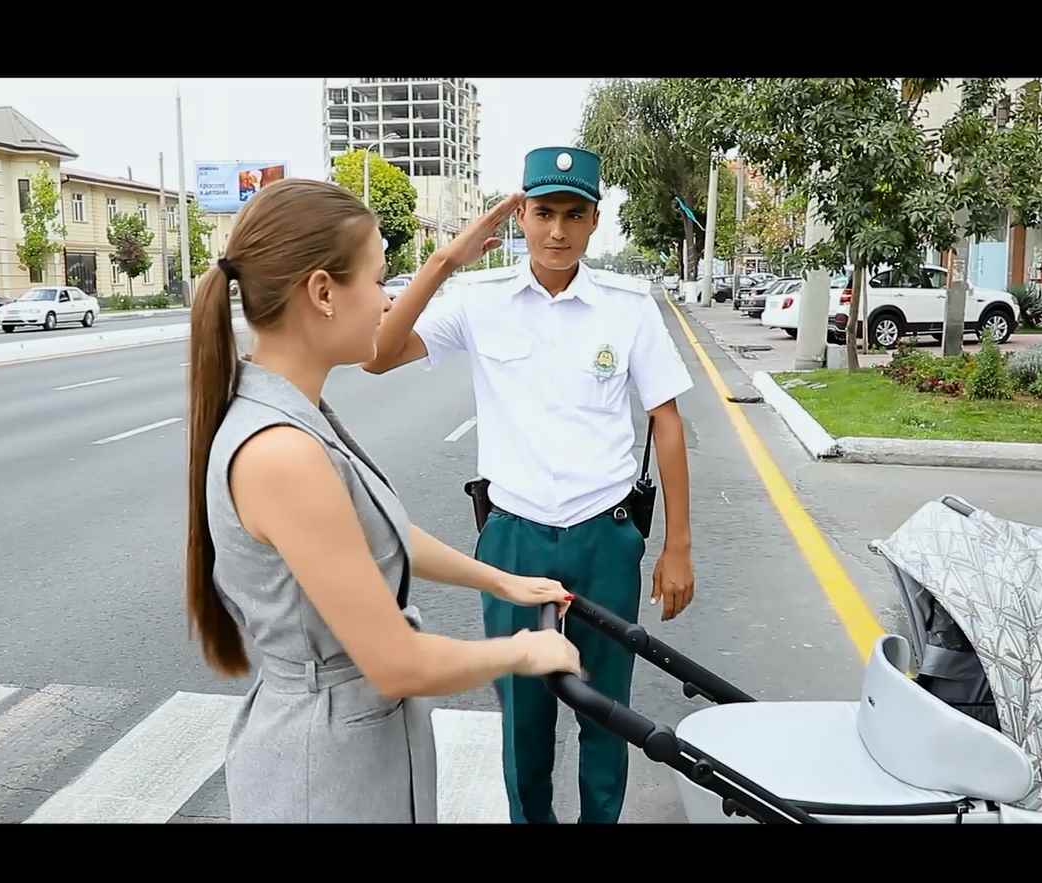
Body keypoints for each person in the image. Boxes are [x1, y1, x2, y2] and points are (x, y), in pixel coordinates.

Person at [184, 178, 583, 823]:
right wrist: (525, 652)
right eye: (377, 281)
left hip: (352, 744)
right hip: (326, 772)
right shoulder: (282, 451)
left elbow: (377, 533)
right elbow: (396, 664)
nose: (387, 301)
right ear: (321, 292)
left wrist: (506, 583)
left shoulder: (295, 414)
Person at [364, 147, 697, 824]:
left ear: (595, 221)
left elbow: (666, 419)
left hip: (605, 538)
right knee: (524, 719)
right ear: (520, 214)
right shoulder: (479, 301)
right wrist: (443, 261)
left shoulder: (627, 307)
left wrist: (677, 546)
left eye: (574, 214)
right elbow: (377, 356)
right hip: (512, 538)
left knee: (609, 714)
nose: (557, 231)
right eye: (543, 212)